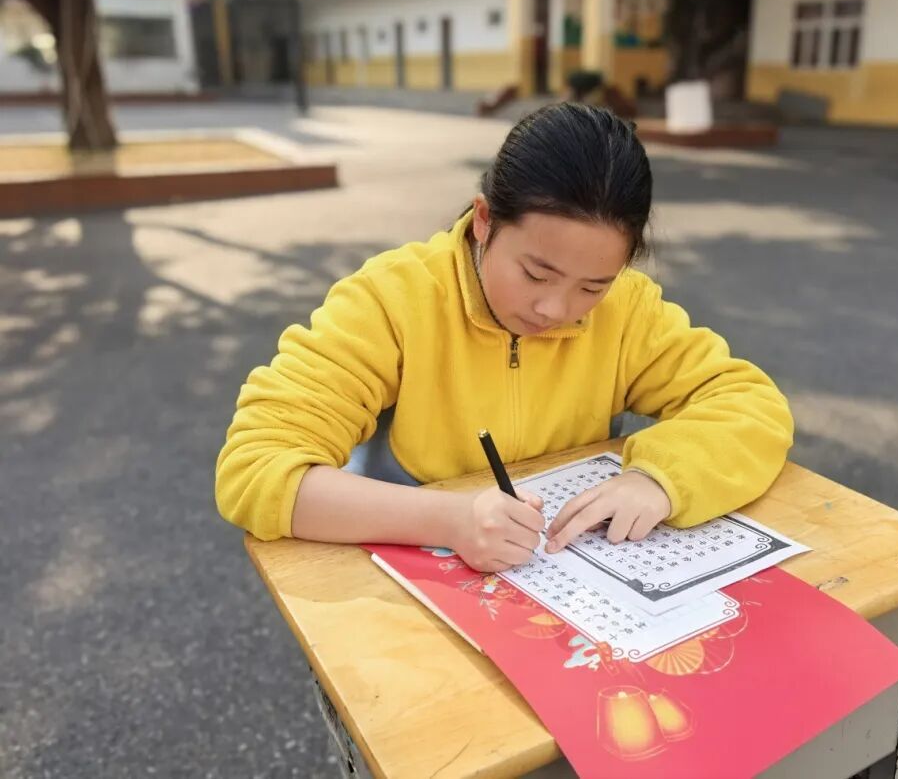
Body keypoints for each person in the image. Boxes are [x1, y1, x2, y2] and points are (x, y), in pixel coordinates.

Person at [215, 103, 793, 573]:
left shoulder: (628, 309)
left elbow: (749, 403)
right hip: (408, 588)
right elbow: (255, 469)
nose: (555, 310)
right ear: (485, 219)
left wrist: (662, 480)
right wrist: (449, 519)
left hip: (564, 586)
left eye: (593, 285)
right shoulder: (392, 299)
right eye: (536, 274)